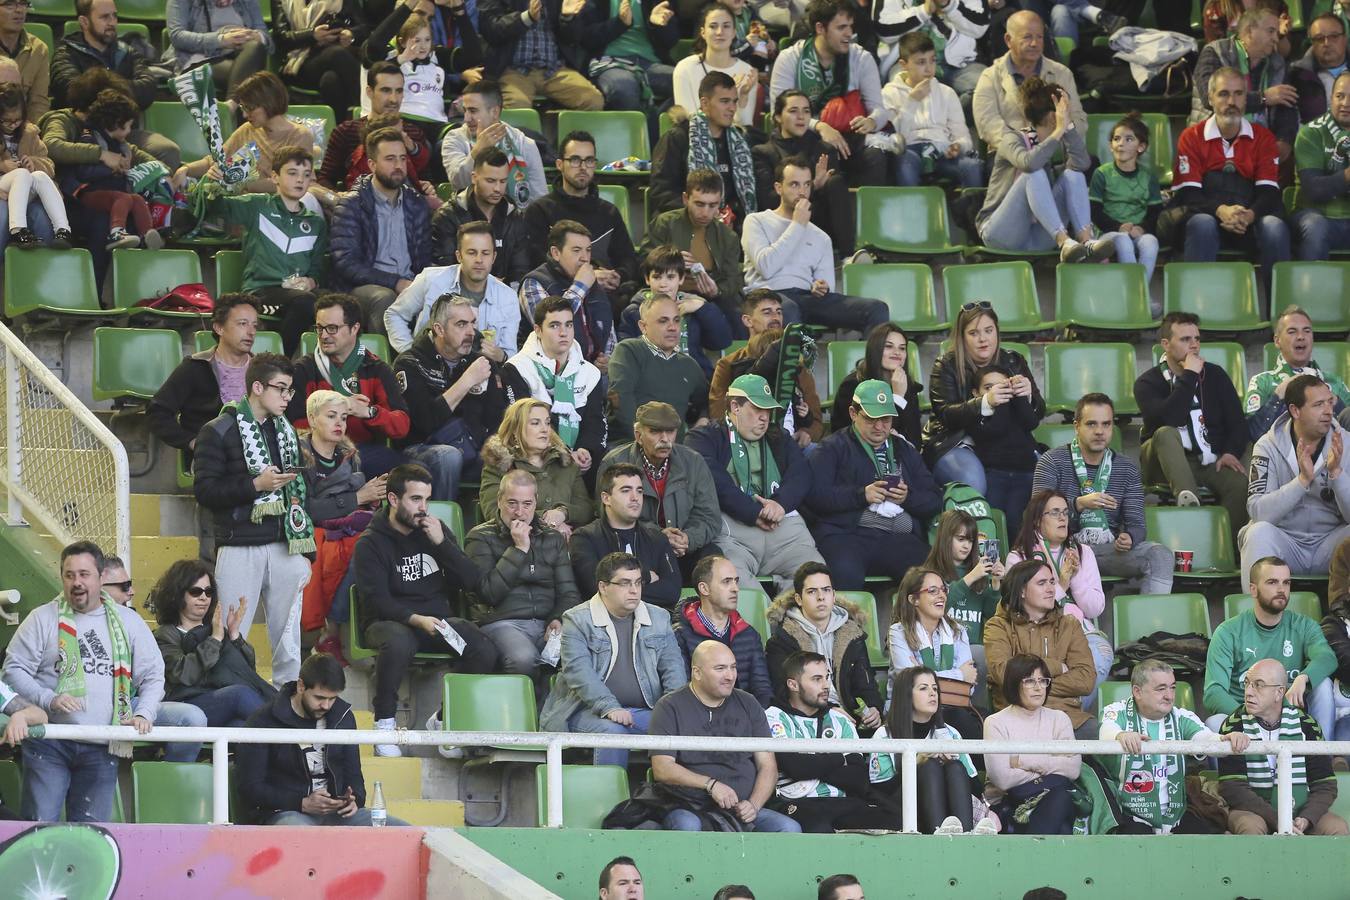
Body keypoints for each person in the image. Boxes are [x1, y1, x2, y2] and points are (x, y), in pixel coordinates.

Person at [3, 541, 163, 822]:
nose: (77, 582)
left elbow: (152, 675)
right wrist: (47, 698)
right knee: (40, 829)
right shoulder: (42, 618)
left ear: (101, 578)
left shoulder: (129, 621)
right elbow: (13, 670)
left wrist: (143, 713)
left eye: (84, 574)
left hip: (102, 745)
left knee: (92, 836)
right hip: (48, 742)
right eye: (69, 575)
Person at [352, 463, 499, 754]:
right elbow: (376, 601)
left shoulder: (434, 530)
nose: (424, 508)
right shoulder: (370, 543)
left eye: (427, 499)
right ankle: (384, 724)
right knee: (397, 641)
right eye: (416, 499)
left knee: (483, 648)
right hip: (388, 621)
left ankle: (444, 720)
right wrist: (416, 619)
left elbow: (472, 582)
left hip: (436, 622)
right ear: (393, 500)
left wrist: (442, 544)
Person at [193, 353, 314, 688]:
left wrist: (306, 553)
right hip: (238, 543)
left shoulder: (286, 431)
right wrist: (254, 486)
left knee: (289, 636)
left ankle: (287, 699)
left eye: (290, 391)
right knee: (232, 629)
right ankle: (231, 696)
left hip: (285, 543)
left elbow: (301, 493)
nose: (287, 397)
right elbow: (204, 491)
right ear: (257, 387)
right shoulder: (218, 429)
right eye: (281, 389)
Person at [541, 551, 686, 766]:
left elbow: (673, 668)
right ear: (603, 587)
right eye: (625, 583)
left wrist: (673, 709)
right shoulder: (577, 619)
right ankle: (609, 798)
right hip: (583, 711)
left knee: (685, 726)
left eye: (638, 582)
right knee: (613, 731)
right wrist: (609, 707)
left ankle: (669, 795)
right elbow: (578, 672)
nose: (634, 590)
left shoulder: (659, 617)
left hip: (642, 711)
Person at [687, 374, 823, 592]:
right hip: (733, 527)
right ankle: (759, 625)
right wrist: (753, 511)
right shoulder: (705, 437)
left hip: (783, 526)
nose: (764, 418)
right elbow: (713, 479)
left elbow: (801, 474)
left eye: (767, 411)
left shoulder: (778, 436)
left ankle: (792, 625)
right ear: (735, 406)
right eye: (758, 409)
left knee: (815, 578)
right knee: (732, 583)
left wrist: (779, 504)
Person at [238, 653, 409, 825]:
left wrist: (354, 800)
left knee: (406, 832)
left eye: (332, 698)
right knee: (299, 833)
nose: (326, 706)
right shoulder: (264, 720)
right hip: (286, 812)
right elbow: (251, 788)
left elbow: (354, 775)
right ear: (300, 686)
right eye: (319, 698)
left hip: (337, 814)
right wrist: (301, 803)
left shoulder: (343, 717)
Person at [648, 641, 802, 832]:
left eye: (733, 667)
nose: (730, 676)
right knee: (687, 824)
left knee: (788, 828)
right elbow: (662, 768)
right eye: (720, 668)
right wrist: (710, 785)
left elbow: (767, 765)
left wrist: (754, 805)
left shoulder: (749, 702)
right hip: (690, 806)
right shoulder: (669, 706)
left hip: (741, 810)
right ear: (697, 672)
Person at [1033, 392, 1174, 595]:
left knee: (1161, 556)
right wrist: (1078, 505)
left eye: (1106, 424)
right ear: (1076, 426)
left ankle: (1154, 627)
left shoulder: (1126, 468)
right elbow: (1037, 517)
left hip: (1106, 551)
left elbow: (1137, 525)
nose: (1100, 431)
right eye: (1091, 424)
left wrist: (1129, 537)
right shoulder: (1052, 461)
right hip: (1061, 549)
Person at [807, 378, 941, 589]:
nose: (879, 427)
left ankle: (915, 623)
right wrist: (861, 495)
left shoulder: (904, 450)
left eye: (886, 419)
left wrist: (908, 497)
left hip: (897, 538)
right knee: (844, 577)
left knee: (928, 581)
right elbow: (813, 497)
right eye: (871, 419)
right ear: (853, 413)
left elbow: (934, 499)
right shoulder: (831, 448)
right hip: (847, 535)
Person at [1171, 66, 1291, 296]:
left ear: (1246, 99)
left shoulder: (1263, 137)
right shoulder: (1191, 137)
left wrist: (1249, 215)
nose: (1231, 101)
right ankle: (1196, 316)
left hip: (1249, 219)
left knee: (1275, 227)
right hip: (1207, 215)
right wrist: (1221, 210)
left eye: (1238, 94)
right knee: (1202, 223)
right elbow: (1189, 193)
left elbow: (1268, 192)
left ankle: (1282, 317)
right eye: (1224, 94)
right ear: (1210, 98)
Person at [1134, 311, 1250, 541]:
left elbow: (1238, 423)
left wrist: (1229, 452)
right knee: (1166, 433)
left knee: (1239, 484)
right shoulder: (1147, 382)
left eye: (1197, 339)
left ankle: (1227, 549)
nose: (1194, 345)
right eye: (1186, 340)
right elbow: (1170, 418)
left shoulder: (1215, 376)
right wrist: (1189, 375)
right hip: (1163, 462)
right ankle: (1189, 502)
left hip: (1207, 459)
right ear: (1166, 344)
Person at [201, 145, 327, 356]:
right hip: (260, 293)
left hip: (296, 295)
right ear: (275, 177)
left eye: (306, 175)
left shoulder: (316, 223)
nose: (300, 180)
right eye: (292, 173)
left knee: (338, 305)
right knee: (305, 303)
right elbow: (216, 207)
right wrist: (213, 181)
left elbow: (316, 269)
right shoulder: (258, 206)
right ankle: (278, 360)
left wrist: (309, 282)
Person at [741, 156, 889, 334]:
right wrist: (797, 225)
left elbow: (827, 286)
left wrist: (820, 286)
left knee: (876, 308)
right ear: (778, 188)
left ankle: (872, 361)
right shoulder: (756, 221)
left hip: (807, 297)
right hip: (769, 295)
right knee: (787, 310)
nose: (802, 191)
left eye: (807, 184)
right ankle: (789, 361)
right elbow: (767, 267)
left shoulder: (821, 237)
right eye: (794, 184)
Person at [1100, 659, 1247, 834]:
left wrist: (1227, 739)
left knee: (1207, 842)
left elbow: (1206, 739)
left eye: (1172, 687)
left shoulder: (1181, 716)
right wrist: (1121, 735)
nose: (1169, 696)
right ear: (1137, 692)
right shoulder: (1117, 711)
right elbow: (1106, 732)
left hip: (1175, 815)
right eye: (1161, 689)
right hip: (1129, 813)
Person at [975, 76, 1113, 261]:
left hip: (1035, 236)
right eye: (1065, 110)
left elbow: (1082, 163)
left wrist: (1068, 128)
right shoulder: (1012, 138)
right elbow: (1029, 163)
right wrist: (1058, 131)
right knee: (1034, 174)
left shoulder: (1054, 142)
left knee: (1074, 175)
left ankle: (1087, 241)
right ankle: (1064, 241)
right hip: (1000, 233)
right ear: (1052, 116)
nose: (1068, 114)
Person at [764, 651, 904, 832]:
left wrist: (810, 764)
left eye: (827, 677)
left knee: (895, 822)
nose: (826, 685)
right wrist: (839, 759)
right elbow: (795, 767)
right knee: (819, 829)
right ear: (793, 684)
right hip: (797, 802)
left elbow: (858, 778)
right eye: (816, 679)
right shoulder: (773, 716)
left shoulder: (840, 720)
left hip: (842, 801)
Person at [297, 389, 386, 664]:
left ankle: (338, 624)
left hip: (350, 529)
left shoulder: (351, 454)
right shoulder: (298, 455)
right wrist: (358, 498)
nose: (340, 424)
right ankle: (331, 628)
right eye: (331, 416)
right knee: (361, 546)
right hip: (314, 531)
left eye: (344, 418)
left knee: (378, 541)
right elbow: (304, 510)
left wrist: (373, 499)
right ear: (312, 419)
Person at [393, 293, 509, 500]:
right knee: (449, 456)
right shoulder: (409, 363)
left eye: (472, 323)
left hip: (473, 447)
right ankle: (439, 525)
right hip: (421, 448)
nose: (471, 332)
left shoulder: (482, 362)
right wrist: (466, 382)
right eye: (461, 324)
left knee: (509, 454)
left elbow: (496, 418)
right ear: (439, 329)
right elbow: (423, 423)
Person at [1207, 553, 1338, 736]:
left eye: (1286, 583)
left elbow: (1327, 657)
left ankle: (1323, 756)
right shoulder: (1228, 631)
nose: (1281, 589)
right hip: (1246, 719)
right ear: (1253, 589)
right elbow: (1213, 692)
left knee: (1322, 683)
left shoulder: (1303, 625)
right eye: (1272, 582)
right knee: (1214, 723)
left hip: (1293, 719)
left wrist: (1303, 678)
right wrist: (1254, 715)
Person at [1217, 657, 1349, 835]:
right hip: (1255, 812)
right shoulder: (1233, 725)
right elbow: (1232, 787)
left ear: (1280, 693)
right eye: (1247, 683)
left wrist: (1306, 818)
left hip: (1300, 813)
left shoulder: (1307, 725)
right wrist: (1279, 819)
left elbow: (1324, 785)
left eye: (1259, 685)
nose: (1248, 692)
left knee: (1337, 828)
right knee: (1250, 826)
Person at [465, 468, 580, 674]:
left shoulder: (552, 538)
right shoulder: (480, 537)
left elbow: (569, 592)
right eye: (512, 503)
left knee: (580, 655)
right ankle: (528, 706)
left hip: (546, 622)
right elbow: (488, 593)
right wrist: (518, 550)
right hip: (501, 622)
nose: (519, 512)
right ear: (499, 501)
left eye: (527, 504)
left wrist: (557, 618)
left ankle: (552, 707)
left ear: (535, 503)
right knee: (523, 658)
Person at [922, 303, 1045, 496]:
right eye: (973, 333)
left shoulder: (1014, 361)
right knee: (973, 481)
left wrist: (1029, 397)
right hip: (957, 442)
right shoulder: (946, 365)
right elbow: (946, 415)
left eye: (989, 331)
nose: (983, 339)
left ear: (997, 332)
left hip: (1006, 443)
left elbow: (1037, 415)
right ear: (962, 337)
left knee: (1049, 477)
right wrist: (985, 402)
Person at [768, 0, 892, 189]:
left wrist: (872, 121)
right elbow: (779, 114)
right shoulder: (789, 59)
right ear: (820, 28)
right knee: (825, 151)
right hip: (805, 138)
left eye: (850, 27)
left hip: (849, 138)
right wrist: (820, 126)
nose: (849, 34)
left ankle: (867, 215)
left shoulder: (861, 58)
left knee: (875, 156)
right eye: (841, 28)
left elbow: (879, 110)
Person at [1005, 489, 1112, 704]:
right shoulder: (1019, 557)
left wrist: (1075, 576)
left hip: (1078, 631)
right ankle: (1057, 712)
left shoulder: (1083, 552)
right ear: (1036, 520)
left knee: (1101, 656)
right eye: (1054, 513)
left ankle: (1065, 712)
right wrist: (1061, 582)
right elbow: (1021, 606)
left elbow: (1094, 609)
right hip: (1035, 632)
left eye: (1065, 512)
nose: (1063, 518)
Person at [288, 294, 411, 479]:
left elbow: (401, 425)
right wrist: (336, 411)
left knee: (400, 467)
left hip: (363, 451)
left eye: (332, 328)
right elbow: (293, 425)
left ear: (354, 328)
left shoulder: (376, 369)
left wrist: (369, 412)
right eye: (319, 328)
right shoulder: (304, 369)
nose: (323, 335)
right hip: (316, 450)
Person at [597, 401, 724, 575]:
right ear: (638, 435)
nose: (665, 439)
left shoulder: (693, 461)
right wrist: (659, 536)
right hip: (638, 547)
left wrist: (687, 538)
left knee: (713, 557)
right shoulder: (614, 463)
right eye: (655, 431)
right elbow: (607, 515)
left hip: (683, 549)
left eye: (670, 431)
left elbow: (709, 515)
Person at [1244, 373, 1350, 581]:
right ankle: (1255, 612)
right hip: (1286, 543)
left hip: (1330, 544)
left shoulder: (1345, 443)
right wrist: (1301, 482)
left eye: (1330, 403)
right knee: (1258, 533)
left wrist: (1337, 474)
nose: (1329, 411)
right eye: (1318, 405)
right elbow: (1259, 512)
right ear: (1295, 410)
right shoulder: (1266, 446)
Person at [150, 558, 276, 731]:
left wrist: (234, 635)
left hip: (220, 705)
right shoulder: (165, 634)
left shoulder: (216, 630)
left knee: (240, 727)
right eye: (196, 591)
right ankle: (293, 738)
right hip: (187, 706)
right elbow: (183, 674)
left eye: (208, 592)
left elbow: (246, 672)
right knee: (240, 695)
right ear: (177, 594)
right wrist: (215, 639)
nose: (203, 597)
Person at [51, 0, 180, 167]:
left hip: (123, 133)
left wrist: (101, 87)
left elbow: (148, 88)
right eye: (105, 17)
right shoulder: (65, 54)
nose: (112, 22)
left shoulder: (127, 52)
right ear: (84, 21)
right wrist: (122, 91)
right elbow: (73, 92)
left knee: (167, 149)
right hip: (83, 134)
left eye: (114, 16)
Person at [330, 127, 433, 333]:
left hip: (409, 283)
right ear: (371, 164)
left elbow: (424, 259)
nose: (398, 166)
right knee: (385, 299)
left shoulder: (416, 204)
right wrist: (395, 282)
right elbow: (346, 263)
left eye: (403, 159)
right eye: (390, 159)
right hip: (363, 287)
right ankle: (385, 364)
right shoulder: (352, 205)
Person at [984, 559, 1099, 740]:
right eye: (1042, 583)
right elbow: (1004, 673)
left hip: (1068, 718)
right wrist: (1057, 667)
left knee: (1109, 741)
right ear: (1022, 590)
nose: (1051, 588)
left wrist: (1030, 685)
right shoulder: (998, 625)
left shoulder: (1069, 625)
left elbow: (1086, 679)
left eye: (1052, 582)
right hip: (1018, 719)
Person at [972, 11, 1087, 187]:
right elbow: (987, 124)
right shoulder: (990, 76)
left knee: (1080, 171)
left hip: (1055, 152)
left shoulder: (1061, 73)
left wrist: (1050, 144)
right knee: (1032, 172)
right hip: (1009, 156)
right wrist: (1022, 146)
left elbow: (1077, 119)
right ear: (1008, 40)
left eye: (1039, 37)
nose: (1034, 43)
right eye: (1027, 37)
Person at [765, 562, 883, 730]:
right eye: (812, 591)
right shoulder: (783, 640)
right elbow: (784, 692)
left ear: (834, 596)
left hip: (852, 720)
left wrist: (874, 708)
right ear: (798, 599)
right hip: (806, 721)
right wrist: (829, 711)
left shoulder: (852, 634)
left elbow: (866, 684)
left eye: (826, 590)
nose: (821, 597)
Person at [523, 131, 639, 298]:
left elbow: (628, 260)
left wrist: (617, 276)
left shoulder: (609, 212)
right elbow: (537, 263)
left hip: (607, 296)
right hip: (557, 297)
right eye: (575, 160)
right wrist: (586, 278)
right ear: (559, 164)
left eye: (589, 160)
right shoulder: (540, 211)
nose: (583, 167)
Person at [501, 295, 606, 476]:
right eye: (554, 325)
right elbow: (521, 425)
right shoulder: (517, 368)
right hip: (534, 461)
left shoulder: (590, 373)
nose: (564, 332)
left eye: (569, 324)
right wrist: (562, 454)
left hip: (580, 462)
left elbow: (595, 421)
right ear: (538, 330)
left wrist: (586, 450)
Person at [150, 293, 259, 466]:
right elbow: (157, 412)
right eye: (242, 324)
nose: (251, 332)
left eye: (254, 325)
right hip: (212, 460)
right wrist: (192, 442)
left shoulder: (262, 369)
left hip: (256, 457)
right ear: (219, 328)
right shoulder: (196, 367)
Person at [982, 651, 1083, 834]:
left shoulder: (1059, 719)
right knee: (1062, 812)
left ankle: (1032, 856)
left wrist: (1021, 761)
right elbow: (1002, 779)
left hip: (1053, 797)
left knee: (1060, 798)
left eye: (1043, 680)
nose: (1038, 687)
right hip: (1011, 805)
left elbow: (1073, 768)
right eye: (1029, 681)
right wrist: (1051, 763)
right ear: (1014, 684)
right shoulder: (995, 722)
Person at [385, 220, 520, 355]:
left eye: (485, 253)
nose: (479, 259)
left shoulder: (508, 297)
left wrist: (501, 356)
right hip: (430, 368)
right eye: (472, 252)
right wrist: (410, 354)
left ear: (494, 257)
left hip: (481, 371)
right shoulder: (431, 279)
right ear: (459, 256)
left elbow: (510, 353)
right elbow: (394, 315)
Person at [885, 665, 991, 834]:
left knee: (955, 767)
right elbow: (879, 791)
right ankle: (938, 833)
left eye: (935, 688)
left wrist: (951, 761)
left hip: (951, 811)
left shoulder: (950, 733)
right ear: (906, 695)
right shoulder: (884, 735)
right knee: (930, 766)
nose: (933, 693)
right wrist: (916, 764)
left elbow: (977, 789)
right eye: (923, 688)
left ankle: (965, 835)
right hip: (903, 813)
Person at [752, 89, 857, 256]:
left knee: (835, 182)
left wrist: (819, 187)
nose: (801, 117)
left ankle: (848, 257)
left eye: (806, 111)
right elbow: (767, 200)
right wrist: (813, 186)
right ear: (778, 117)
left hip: (818, 223)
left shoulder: (824, 150)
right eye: (793, 111)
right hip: (782, 225)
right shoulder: (763, 153)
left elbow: (835, 199)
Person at [710, 292, 824, 446]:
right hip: (743, 445)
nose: (775, 317)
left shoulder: (797, 364)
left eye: (779, 312)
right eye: (767, 312)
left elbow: (816, 418)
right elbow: (718, 414)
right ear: (747, 320)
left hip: (793, 446)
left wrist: (807, 433)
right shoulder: (728, 364)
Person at [61, 88, 168, 251]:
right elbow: (84, 172)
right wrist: (112, 170)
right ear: (115, 122)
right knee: (123, 198)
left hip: (113, 195)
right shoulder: (89, 138)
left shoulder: (120, 145)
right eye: (128, 126)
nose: (130, 131)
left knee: (137, 199)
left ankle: (147, 235)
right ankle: (116, 232)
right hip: (90, 194)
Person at [639, 168, 745, 331]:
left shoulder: (727, 236)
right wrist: (670, 260)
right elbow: (644, 262)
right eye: (699, 204)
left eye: (713, 205)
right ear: (685, 199)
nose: (705, 212)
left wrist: (717, 290)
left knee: (737, 317)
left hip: (711, 298)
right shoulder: (665, 224)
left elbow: (733, 279)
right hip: (667, 292)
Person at [177, 71, 315, 196]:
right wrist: (185, 169)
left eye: (249, 108)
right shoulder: (248, 129)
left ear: (268, 102)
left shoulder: (300, 135)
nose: (244, 114)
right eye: (243, 107)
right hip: (244, 201)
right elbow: (216, 160)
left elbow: (288, 182)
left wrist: (238, 183)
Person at [649, 71, 757, 226]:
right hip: (685, 225)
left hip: (731, 231)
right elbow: (662, 192)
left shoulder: (740, 142)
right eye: (725, 101)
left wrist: (731, 217)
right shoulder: (677, 138)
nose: (732, 108)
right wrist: (704, 214)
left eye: (734, 101)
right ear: (705, 103)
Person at [922, 510, 1004, 706]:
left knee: (982, 655)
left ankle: (978, 717)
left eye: (971, 540)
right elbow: (937, 605)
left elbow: (992, 615)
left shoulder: (979, 573)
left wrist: (995, 584)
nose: (967, 545)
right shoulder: (929, 573)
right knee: (979, 655)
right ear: (945, 538)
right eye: (961, 539)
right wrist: (971, 577)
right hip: (940, 647)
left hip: (973, 648)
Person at [571, 463, 681, 608]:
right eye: (625, 490)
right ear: (606, 498)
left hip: (652, 624)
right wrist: (646, 576)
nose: (635, 497)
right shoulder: (585, 538)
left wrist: (619, 588)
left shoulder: (657, 538)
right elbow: (596, 590)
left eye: (639, 491)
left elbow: (671, 592)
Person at [881, 33, 982, 189]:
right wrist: (912, 101)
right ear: (904, 64)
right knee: (904, 163)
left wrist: (958, 146)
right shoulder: (890, 92)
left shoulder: (946, 92)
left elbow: (963, 136)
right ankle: (913, 212)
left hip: (941, 150)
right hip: (910, 149)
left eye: (932, 61)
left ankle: (971, 212)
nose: (929, 68)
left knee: (971, 166)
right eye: (921, 62)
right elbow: (894, 138)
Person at [1191, 9, 1298, 155]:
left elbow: (1287, 107)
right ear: (1249, 31)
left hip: (1260, 144)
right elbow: (1210, 99)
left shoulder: (1277, 62)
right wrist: (1263, 98)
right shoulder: (1215, 52)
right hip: (1213, 141)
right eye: (1271, 31)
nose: (1276, 39)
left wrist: (1283, 141)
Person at [888, 567, 980, 737]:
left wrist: (924, 679)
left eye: (943, 590)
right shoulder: (899, 632)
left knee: (975, 722)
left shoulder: (957, 631)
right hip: (910, 712)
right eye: (932, 591)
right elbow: (908, 682)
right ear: (914, 599)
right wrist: (959, 674)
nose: (942, 595)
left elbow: (969, 686)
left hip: (952, 707)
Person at [617, 244, 733, 379]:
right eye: (657, 277)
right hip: (651, 383)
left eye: (670, 277)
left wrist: (703, 308)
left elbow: (721, 342)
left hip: (694, 381)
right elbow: (626, 355)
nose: (663, 284)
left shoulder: (694, 307)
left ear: (681, 278)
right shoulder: (634, 311)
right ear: (647, 279)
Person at [671, 554, 773, 706]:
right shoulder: (681, 634)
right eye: (726, 582)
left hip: (744, 718)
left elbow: (762, 689)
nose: (736, 589)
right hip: (700, 720)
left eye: (736, 581)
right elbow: (682, 690)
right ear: (704, 588)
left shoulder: (749, 634)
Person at [479, 397, 595, 532]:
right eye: (535, 423)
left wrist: (562, 513)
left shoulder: (566, 463)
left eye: (547, 423)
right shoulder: (499, 465)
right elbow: (494, 512)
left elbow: (586, 508)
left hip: (567, 544)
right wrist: (548, 521)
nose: (545, 429)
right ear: (516, 429)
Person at [316, 62, 435, 191]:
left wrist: (427, 188)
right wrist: (341, 201)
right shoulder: (345, 132)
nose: (394, 99)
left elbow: (426, 178)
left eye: (399, 91)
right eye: (386, 90)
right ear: (369, 92)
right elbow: (325, 180)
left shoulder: (413, 133)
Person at [607, 293, 710, 439]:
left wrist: (703, 419)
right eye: (663, 321)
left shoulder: (689, 365)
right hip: (629, 446)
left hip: (673, 451)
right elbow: (621, 400)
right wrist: (645, 440)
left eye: (676, 321)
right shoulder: (628, 351)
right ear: (643, 327)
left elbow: (705, 402)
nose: (673, 327)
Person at [520, 219, 617, 370]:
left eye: (588, 250)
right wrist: (580, 286)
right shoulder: (534, 282)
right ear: (556, 253)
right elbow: (550, 325)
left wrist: (608, 358)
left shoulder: (593, 283)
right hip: (549, 373)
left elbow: (609, 332)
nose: (585, 257)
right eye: (577, 250)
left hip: (592, 373)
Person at [476, 0, 604, 111]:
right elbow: (492, 31)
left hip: (554, 69)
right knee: (517, 106)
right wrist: (527, 18)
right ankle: (525, 139)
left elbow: (573, 39)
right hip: (513, 70)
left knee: (592, 101)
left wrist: (568, 18)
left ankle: (567, 139)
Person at [430, 145, 532, 282]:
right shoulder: (447, 216)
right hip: (459, 297)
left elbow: (520, 270)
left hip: (505, 296)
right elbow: (444, 271)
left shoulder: (515, 217)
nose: (497, 189)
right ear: (474, 177)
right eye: (490, 181)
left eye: (503, 181)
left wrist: (502, 292)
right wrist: (486, 285)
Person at [1246, 306, 1350, 440]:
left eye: (1307, 331)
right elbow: (1253, 434)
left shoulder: (1334, 382)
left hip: (1334, 456)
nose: (1301, 337)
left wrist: (1335, 402)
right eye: (1292, 331)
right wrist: (1277, 398)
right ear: (1277, 341)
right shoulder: (1262, 382)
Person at [440, 80, 547, 207]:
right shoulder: (454, 139)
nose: (466, 118)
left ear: (495, 112)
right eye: (465, 111)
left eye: (473, 111)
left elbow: (539, 198)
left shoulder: (523, 143)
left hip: (515, 221)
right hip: (468, 219)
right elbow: (459, 183)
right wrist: (478, 150)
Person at [873, 0, 991, 112]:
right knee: (904, 95)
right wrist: (924, 11)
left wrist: (948, 5)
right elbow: (883, 30)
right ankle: (938, 119)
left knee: (987, 87)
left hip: (960, 63)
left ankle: (946, 118)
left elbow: (980, 27)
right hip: (909, 63)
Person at [1089, 112, 1164, 285]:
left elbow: (1155, 212)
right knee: (1123, 240)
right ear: (1110, 145)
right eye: (1116, 139)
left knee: (1151, 242)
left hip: (1138, 231)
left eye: (1128, 139)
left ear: (1141, 147)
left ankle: (1138, 295)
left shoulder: (1149, 177)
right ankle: (1137, 297)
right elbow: (1095, 212)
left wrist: (1142, 228)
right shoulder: (1101, 174)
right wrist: (1119, 227)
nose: (1121, 144)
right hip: (1108, 233)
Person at [964, 365, 1040, 537]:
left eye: (1003, 386)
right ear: (976, 393)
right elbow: (996, 429)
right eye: (989, 388)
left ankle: (1018, 561)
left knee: (1016, 521)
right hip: (995, 474)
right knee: (994, 521)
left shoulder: (1017, 407)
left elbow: (1031, 422)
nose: (997, 391)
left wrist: (1020, 396)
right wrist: (999, 403)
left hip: (1024, 473)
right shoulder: (975, 413)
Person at [0, 85, 70, 250]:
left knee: (39, 176)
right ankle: (19, 230)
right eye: (6, 120)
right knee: (21, 175)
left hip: (25, 190)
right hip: (3, 186)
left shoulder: (30, 134)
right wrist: (3, 165)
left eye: (17, 120)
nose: (12, 125)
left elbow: (49, 165)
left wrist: (35, 162)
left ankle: (63, 230)